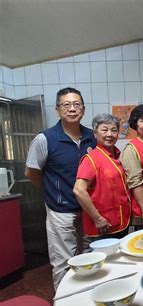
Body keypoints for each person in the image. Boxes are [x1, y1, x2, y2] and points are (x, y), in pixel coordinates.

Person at [25, 87, 96, 289]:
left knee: (89, 258)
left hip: (87, 210)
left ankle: (85, 300)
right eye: (66, 105)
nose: (72, 109)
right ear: (57, 110)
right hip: (61, 212)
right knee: (64, 263)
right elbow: (31, 173)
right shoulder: (45, 139)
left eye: (76, 104)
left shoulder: (92, 137)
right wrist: (54, 194)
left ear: (83, 109)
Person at [73, 114, 131, 245]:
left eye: (114, 130)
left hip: (120, 220)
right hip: (103, 225)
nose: (109, 134)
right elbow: (78, 190)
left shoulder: (117, 156)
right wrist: (98, 218)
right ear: (95, 133)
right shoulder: (91, 159)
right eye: (104, 130)